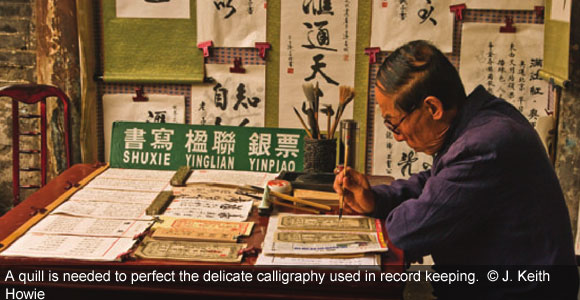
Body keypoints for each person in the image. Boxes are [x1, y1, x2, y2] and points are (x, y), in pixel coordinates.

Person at [334, 40, 578, 298]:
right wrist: (374, 199)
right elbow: (437, 182)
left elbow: (409, 230)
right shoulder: (482, 120)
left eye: (395, 124)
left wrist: (387, 217)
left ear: (432, 108)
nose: (397, 137)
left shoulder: (484, 145)